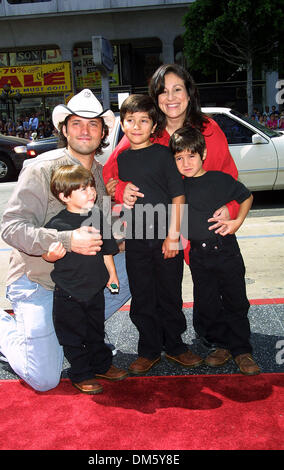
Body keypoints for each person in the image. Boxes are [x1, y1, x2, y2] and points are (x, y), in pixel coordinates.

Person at [0, 89, 131, 392]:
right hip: (37, 280)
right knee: (45, 379)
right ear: (64, 129)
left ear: (103, 131)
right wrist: (67, 239)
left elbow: (102, 233)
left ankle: (76, 334)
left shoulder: (103, 177)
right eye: (77, 123)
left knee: (140, 264)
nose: (85, 131)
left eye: (93, 124)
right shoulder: (42, 168)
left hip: (77, 282)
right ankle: (0, 326)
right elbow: (12, 227)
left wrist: (125, 229)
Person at [103, 63, 239, 342]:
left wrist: (232, 210)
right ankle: (158, 343)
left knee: (217, 286)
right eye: (163, 91)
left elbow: (229, 175)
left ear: (189, 93)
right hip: (163, 227)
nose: (171, 97)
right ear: (155, 98)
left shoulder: (209, 129)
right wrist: (121, 190)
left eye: (178, 89)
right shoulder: (147, 132)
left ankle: (224, 342)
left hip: (206, 223)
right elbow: (111, 173)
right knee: (162, 288)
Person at [117, 94, 203, 374]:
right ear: (123, 124)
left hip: (166, 238)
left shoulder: (163, 154)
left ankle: (176, 346)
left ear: (155, 126)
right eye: (131, 120)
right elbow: (112, 188)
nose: (137, 125)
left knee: (169, 293)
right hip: (136, 240)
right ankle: (149, 349)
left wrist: (173, 236)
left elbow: (179, 197)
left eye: (144, 120)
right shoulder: (122, 158)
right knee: (142, 296)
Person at [169, 125, 260, 375]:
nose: (186, 162)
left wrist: (236, 221)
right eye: (179, 158)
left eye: (191, 155)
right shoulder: (176, 188)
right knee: (208, 304)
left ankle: (242, 350)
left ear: (204, 154)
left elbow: (246, 196)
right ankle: (222, 346)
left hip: (226, 250)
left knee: (235, 301)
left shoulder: (219, 179)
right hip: (198, 256)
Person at [42, 164, 127, 394]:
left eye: (91, 186)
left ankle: (101, 365)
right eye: (82, 189)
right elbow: (46, 253)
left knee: (96, 331)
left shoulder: (98, 217)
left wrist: (112, 275)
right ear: (64, 196)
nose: (91, 192)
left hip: (94, 291)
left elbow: (108, 250)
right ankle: (80, 373)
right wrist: (51, 255)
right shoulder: (56, 225)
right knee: (72, 337)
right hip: (68, 294)